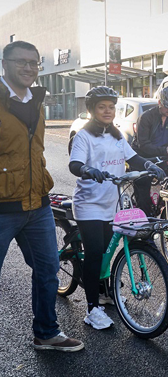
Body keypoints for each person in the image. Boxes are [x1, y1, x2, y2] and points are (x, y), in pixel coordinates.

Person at [0, 41, 83, 351]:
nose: (28, 67)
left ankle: (47, 332)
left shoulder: (36, 99)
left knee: (48, 270)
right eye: (21, 61)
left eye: (34, 63)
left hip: (38, 204)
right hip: (2, 207)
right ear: (4, 63)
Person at [69, 86, 165, 330]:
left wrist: (150, 165)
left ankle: (104, 293)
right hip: (89, 205)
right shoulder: (83, 136)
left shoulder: (117, 136)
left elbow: (133, 158)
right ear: (92, 110)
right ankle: (92, 310)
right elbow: (75, 164)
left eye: (111, 107)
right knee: (95, 254)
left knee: (108, 254)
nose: (107, 111)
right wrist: (86, 169)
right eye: (102, 107)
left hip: (112, 204)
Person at [132, 86, 168, 216]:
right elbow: (143, 145)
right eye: (167, 107)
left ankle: (164, 208)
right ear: (159, 103)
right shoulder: (146, 117)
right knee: (143, 196)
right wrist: (165, 150)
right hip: (143, 158)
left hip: (162, 157)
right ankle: (145, 217)